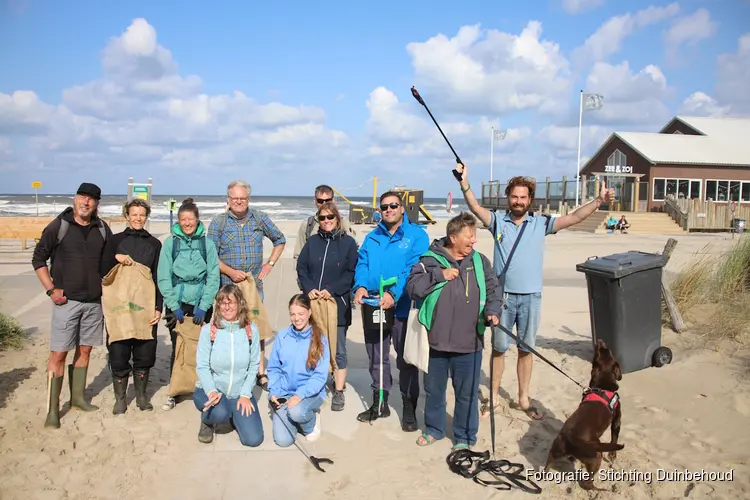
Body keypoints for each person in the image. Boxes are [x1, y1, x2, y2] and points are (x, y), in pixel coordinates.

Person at [455, 162, 613, 420]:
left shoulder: (542, 223)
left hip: (531, 297)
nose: (518, 201)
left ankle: (523, 399)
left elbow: (573, 217)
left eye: (523, 197)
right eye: (514, 197)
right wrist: (464, 184)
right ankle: (493, 399)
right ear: (508, 198)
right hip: (502, 298)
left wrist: (598, 201)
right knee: (499, 348)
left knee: (526, 350)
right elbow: (474, 207)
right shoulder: (497, 222)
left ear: (530, 200)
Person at [406, 212, 504, 450]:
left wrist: (492, 311)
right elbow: (413, 288)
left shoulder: (481, 262)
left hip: (470, 343)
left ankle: (464, 437)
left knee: (467, 394)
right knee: (434, 392)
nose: (474, 241)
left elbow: (494, 290)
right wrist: (440, 275)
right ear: (453, 237)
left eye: (474, 236)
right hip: (436, 342)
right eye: (469, 236)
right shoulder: (429, 259)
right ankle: (434, 429)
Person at [32, 182, 113, 429]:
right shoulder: (60, 226)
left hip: (93, 304)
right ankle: (53, 409)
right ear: (75, 199)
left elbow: (109, 261)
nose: (86, 202)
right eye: (83, 197)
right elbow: (38, 258)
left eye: (91, 199)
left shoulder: (102, 228)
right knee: (58, 353)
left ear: (97, 204)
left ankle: (77, 397)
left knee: (85, 350)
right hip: (66, 302)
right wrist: (50, 289)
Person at [353, 190, 429, 431]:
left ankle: (408, 406)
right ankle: (380, 402)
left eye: (393, 206)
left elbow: (413, 268)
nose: (388, 210)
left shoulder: (417, 235)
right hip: (375, 305)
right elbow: (362, 262)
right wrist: (361, 285)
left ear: (402, 208)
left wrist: (393, 293)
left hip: (404, 307)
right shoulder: (372, 237)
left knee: (406, 360)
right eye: (384, 207)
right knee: (377, 356)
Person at [207, 180, 286, 393]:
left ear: (248, 199)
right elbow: (210, 256)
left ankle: (260, 372)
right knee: (228, 330)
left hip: (254, 287)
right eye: (235, 198)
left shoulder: (259, 218)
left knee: (255, 329)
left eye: (242, 198)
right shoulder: (219, 223)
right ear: (228, 200)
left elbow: (280, 240)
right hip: (227, 287)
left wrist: (269, 264)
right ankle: (229, 371)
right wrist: (230, 272)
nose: (239, 201)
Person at [100, 198, 163, 414]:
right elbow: (101, 270)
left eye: (142, 214)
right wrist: (114, 257)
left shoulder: (155, 244)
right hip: (119, 305)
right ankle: (120, 398)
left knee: (145, 351)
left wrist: (158, 307)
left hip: (146, 306)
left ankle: (142, 396)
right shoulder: (114, 241)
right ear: (126, 216)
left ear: (147, 217)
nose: (138, 218)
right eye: (133, 214)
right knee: (118, 350)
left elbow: (158, 277)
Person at [157, 198, 221, 411]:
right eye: (183, 219)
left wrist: (204, 305)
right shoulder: (170, 243)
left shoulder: (207, 243)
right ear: (178, 220)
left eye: (190, 219)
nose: (187, 223)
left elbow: (213, 275)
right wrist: (173, 305)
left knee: (202, 346)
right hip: (178, 302)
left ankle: (201, 387)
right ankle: (174, 391)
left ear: (197, 219)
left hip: (201, 303)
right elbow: (163, 277)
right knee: (178, 344)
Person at [296, 201, 358, 411]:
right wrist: (310, 288)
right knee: (314, 345)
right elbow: (301, 267)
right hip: (314, 303)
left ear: (337, 219)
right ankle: (315, 383)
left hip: (337, 303)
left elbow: (351, 272)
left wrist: (332, 289)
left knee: (338, 349)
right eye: (322, 218)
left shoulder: (348, 243)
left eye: (330, 217)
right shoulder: (312, 242)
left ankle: (338, 390)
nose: (326, 221)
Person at [193, 284, 264, 446]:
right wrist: (211, 391)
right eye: (222, 303)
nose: (227, 307)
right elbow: (202, 366)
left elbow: (254, 365)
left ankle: (234, 414)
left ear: (240, 304)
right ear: (217, 306)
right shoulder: (208, 331)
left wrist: (246, 394)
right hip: (212, 392)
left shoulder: (250, 330)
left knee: (253, 440)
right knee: (220, 413)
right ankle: (207, 421)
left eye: (231, 302)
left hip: (239, 393)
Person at [268, 294, 330, 447]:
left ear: (309, 312)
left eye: (301, 313)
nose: (296, 318)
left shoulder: (320, 338)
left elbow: (319, 376)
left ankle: (311, 422)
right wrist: (274, 391)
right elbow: (274, 367)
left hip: (310, 392)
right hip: (285, 391)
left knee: (296, 412)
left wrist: (300, 395)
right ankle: (295, 417)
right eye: (293, 314)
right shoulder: (282, 336)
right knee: (283, 441)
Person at [293, 184, 354, 259]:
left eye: (328, 200)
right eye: (320, 201)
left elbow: (353, 251)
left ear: (333, 200)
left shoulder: (343, 223)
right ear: (315, 201)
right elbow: (298, 255)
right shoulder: (307, 225)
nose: (324, 204)